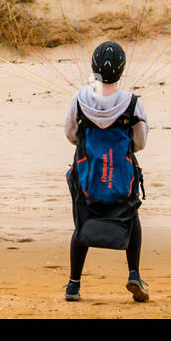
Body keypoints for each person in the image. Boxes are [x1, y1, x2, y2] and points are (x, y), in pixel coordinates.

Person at [63, 40, 149, 302]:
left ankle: (73, 285)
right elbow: (140, 142)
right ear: (121, 71)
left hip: (88, 176)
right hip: (121, 176)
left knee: (82, 221)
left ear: (93, 67)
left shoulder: (80, 98)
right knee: (131, 217)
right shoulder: (132, 103)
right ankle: (134, 273)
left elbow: (70, 133)